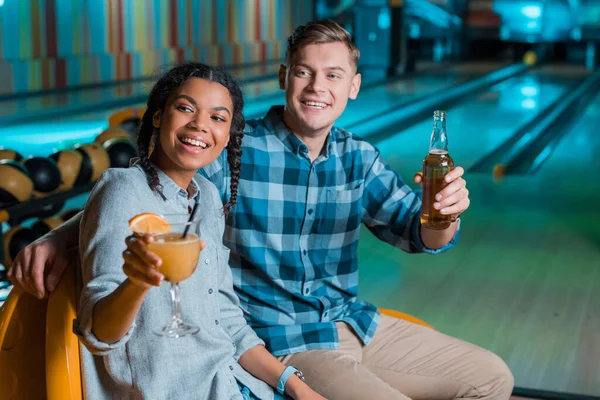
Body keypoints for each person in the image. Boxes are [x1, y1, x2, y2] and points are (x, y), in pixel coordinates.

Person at [8, 20, 514, 400]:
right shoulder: (232, 150)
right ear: (284, 77)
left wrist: (444, 214)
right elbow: (152, 192)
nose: (318, 87)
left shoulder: (358, 157)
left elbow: (420, 234)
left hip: (351, 322)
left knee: (494, 378)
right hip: (283, 341)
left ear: (354, 86)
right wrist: (60, 236)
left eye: (334, 75)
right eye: (305, 73)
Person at [69, 62, 324, 400]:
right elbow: (99, 333)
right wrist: (138, 283)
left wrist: (296, 386)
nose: (200, 125)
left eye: (217, 118)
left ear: (228, 135)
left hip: (237, 384)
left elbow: (227, 320)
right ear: (158, 116)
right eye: (186, 108)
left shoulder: (206, 197)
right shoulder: (123, 189)